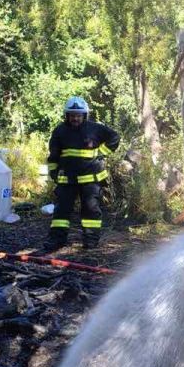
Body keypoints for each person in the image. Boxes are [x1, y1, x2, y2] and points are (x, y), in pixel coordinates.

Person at [43, 96, 121, 251]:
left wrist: (101, 152)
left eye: (78, 115)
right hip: (67, 179)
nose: (75, 118)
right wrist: (53, 171)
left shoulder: (95, 128)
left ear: (84, 115)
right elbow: (54, 154)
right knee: (61, 211)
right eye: (72, 115)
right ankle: (57, 241)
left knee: (91, 210)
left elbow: (115, 137)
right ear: (67, 115)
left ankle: (90, 241)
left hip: (91, 179)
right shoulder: (60, 131)